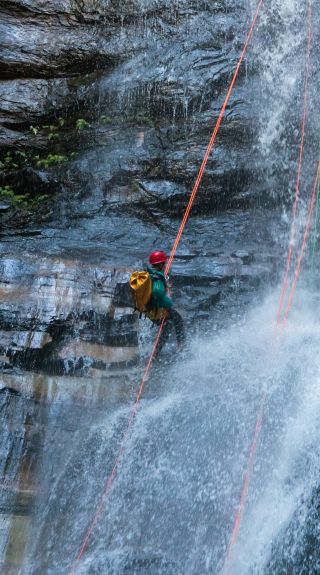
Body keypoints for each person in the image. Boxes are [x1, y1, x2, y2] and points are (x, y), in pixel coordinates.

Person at [147, 250, 185, 356]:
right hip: (157, 308)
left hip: (150, 308)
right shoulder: (156, 277)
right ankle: (181, 348)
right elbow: (158, 293)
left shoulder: (150, 273)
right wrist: (167, 302)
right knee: (173, 322)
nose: (165, 264)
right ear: (160, 264)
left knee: (172, 322)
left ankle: (157, 352)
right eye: (164, 263)